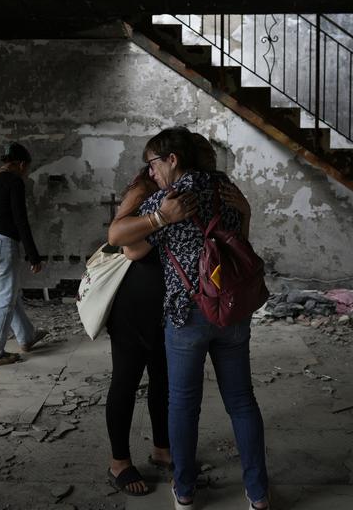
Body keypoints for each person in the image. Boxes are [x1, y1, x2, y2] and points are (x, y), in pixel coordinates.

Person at [110, 127, 268, 509]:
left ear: (173, 159)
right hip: (232, 313)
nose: (152, 173)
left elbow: (119, 238)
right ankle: (259, 495)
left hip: (187, 315)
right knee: (243, 402)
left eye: (154, 164)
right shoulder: (227, 190)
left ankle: (183, 492)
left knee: (182, 404)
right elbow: (239, 245)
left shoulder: (171, 199)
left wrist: (158, 219)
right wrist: (245, 212)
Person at [102, 167, 195, 496]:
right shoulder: (144, 187)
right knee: (125, 382)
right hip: (132, 305)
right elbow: (123, 242)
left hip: (165, 306)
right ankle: (119, 463)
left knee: (163, 380)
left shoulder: (183, 191)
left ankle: (162, 449)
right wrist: (161, 218)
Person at [0, 142, 47, 368]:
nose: (25, 173)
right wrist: (33, 255)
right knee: (4, 298)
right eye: (26, 168)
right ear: (21, 164)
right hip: (1, 243)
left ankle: (26, 336)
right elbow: (20, 220)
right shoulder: (14, 181)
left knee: (8, 293)